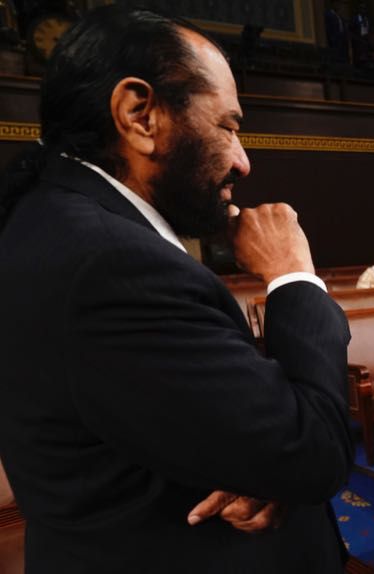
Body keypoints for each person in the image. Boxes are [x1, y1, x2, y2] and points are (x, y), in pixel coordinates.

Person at [0, 6, 354, 572]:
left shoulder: (51, 222)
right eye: (228, 126)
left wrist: (249, 460)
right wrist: (294, 276)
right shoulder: (110, 264)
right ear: (139, 114)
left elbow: (145, 419)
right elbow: (311, 454)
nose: (242, 160)